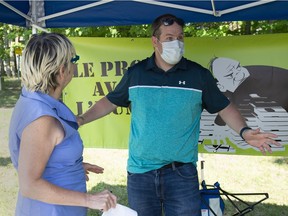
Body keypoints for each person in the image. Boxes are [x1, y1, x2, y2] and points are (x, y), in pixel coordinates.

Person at [77, 14, 281, 216]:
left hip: (181, 174)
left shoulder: (198, 75)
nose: (177, 42)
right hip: (141, 174)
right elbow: (110, 102)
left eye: (180, 37)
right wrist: (82, 119)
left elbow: (224, 107)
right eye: (169, 38)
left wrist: (244, 132)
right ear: (155, 41)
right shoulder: (136, 73)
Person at [9, 33, 117, 216]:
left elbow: (40, 156)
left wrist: (70, 167)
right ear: (61, 71)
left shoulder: (35, 98)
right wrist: (90, 199)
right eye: (73, 60)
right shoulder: (42, 119)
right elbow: (30, 185)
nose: (75, 65)